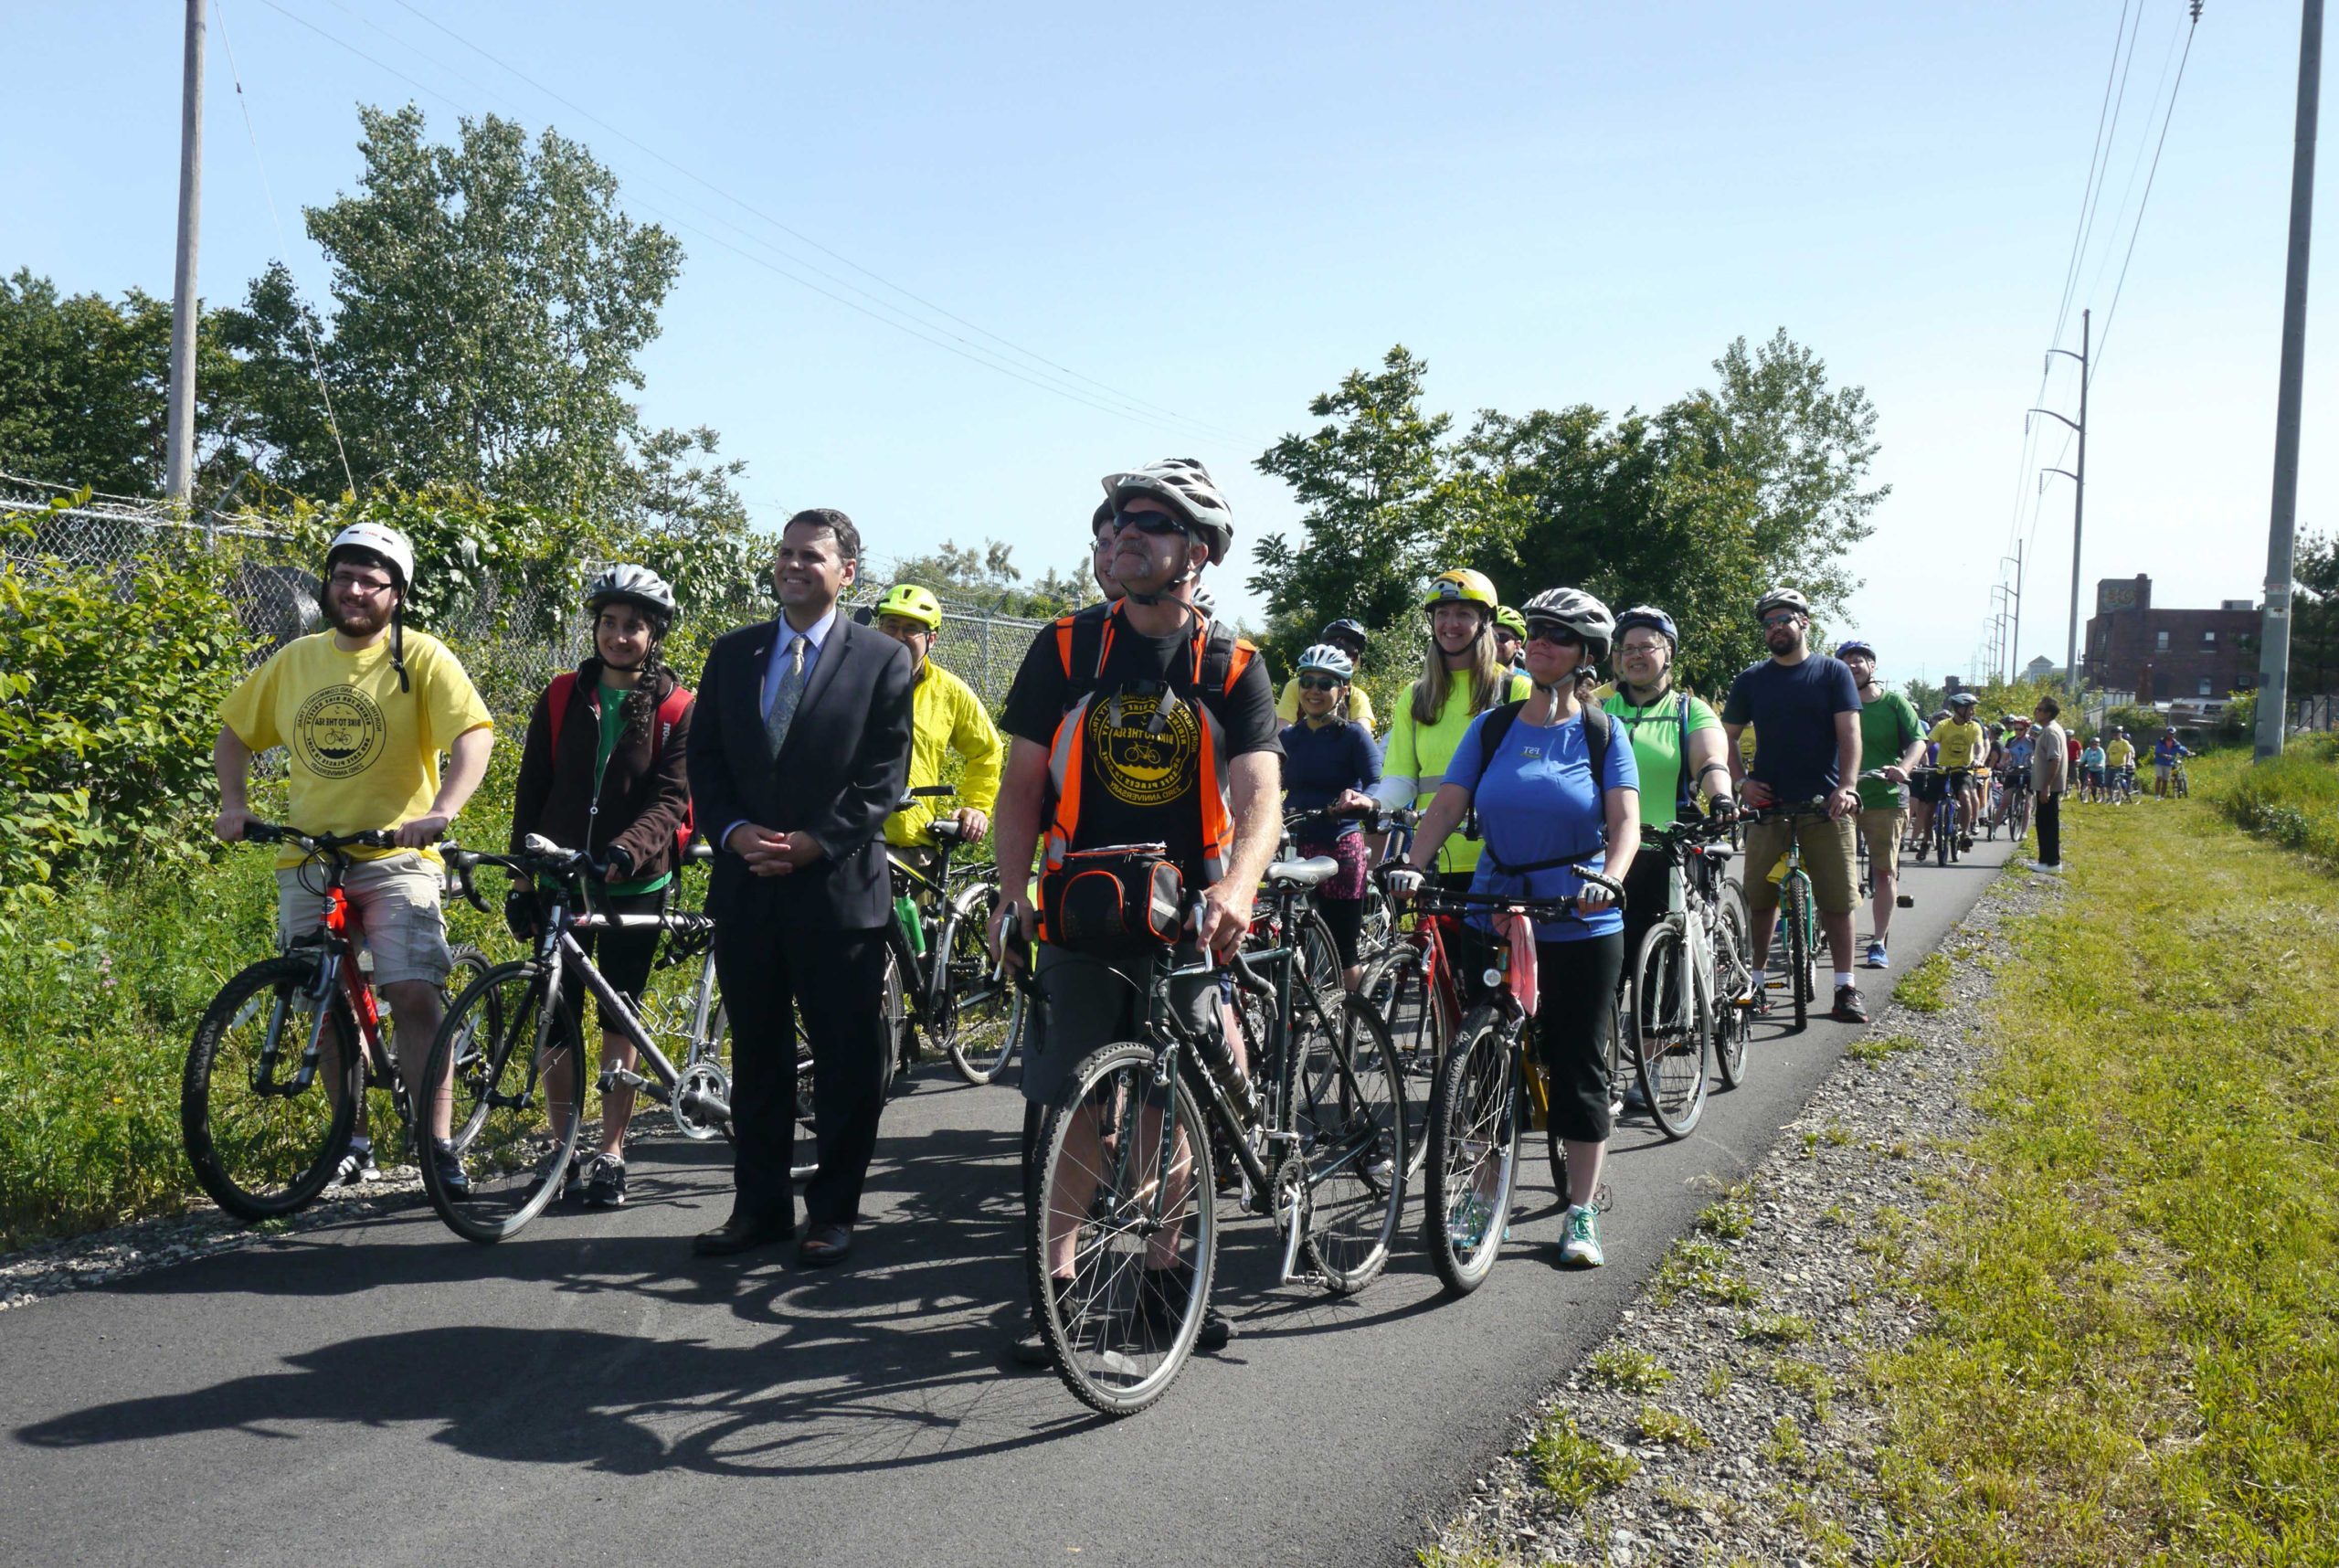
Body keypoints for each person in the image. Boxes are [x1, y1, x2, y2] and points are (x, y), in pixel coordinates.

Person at [989, 458, 1282, 1361]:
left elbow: (1261, 795)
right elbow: (1021, 788)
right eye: (1117, 525)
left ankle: (1162, 1277)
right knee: (1079, 1106)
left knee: (1179, 1094)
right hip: (1079, 907)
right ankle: (1061, 1286)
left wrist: (1236, 891)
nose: (1124, 538)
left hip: (1187, 912)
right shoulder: (1067, 648)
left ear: (1197, 552)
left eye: (1149, 526)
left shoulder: (1231, 665)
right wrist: (1010, 898)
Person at [212, 522, 494, 1190]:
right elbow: (234, 733)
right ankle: (353, 1140)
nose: (357, 590)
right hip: (311, 858)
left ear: (397, 594)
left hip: (397, 856)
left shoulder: (423, 657)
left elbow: (474, 736)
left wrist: (441, 813)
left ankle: (437, 1146)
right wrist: (233, 801)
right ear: (328, 582)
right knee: (323, 1003)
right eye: (346, 577)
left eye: (373, 581)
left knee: (413, 993)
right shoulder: (296, 659)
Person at [686, 509, 915, 1267]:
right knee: (758, 1057)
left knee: (846, 1062)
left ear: (847, 570)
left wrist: (819, 841)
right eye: (784, 553)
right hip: (748, 886)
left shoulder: (882, 660)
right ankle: (758, 1209)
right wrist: (732, 832)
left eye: (810, 556)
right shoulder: (732, 655)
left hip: (838, 892)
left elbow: (884, 777)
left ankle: (833, 1214)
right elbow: (707, 763)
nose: (792, 565)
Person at [1389, 588, 1639, 1268]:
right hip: (1495, 907)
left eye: (1560, 636)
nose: (1543, 643)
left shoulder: (1601, 731)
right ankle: (1479, 1191)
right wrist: (1411, 866)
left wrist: (1610, 876)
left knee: (1580, 1062)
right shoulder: (1493, 728)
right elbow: (1445, 807)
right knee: (1479, 1058)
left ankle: (1581, 1212)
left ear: (1586, 653)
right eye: (1536, 633)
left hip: (1580, 916)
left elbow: (1624, 823)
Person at [508, 565, 695, 1209]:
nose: (619, 636)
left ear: (655, 634)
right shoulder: (562, 696)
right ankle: (563, 1150)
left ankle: (612, 1151)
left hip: (632, 883)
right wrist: (519, 874)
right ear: (595, 627)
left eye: (634, 626)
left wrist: (624, 852)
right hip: (561, 878)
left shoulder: (677, 708)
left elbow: (671, 801)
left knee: (620, 1014)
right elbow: (531, 789)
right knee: (556, 1016)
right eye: (609, 624)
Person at [1719, 587, 1868, 1024]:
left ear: (1805, 621)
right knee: (1761, 900)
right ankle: (1758, 985)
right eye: (1767, 623)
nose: (1775, 628)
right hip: (1768, 807)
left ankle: (1845, 988)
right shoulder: (1751, 679)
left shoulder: (1832, 673)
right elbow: (1725, 736)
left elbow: (1850, 735)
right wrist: (1740, 781)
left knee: (1838, 900)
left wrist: (1848, 786)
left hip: (1827, 806)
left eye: (1784, 618)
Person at [1374, 568, 1533, 885]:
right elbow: (1402, 779)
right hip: (1432, 854)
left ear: (1485, 621)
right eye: (1442, 613)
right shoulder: (1416, 695)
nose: (1451, 624)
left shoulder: (1514, 691)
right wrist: (1373, 803)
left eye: (1463, 613)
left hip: (1500, 857)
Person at [1601, 605, 1732, 977]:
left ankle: (1662, 1035)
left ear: (1669, 653)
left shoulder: (1688, 710)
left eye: (1647, 646)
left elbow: (1710, 761)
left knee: (1663, 977)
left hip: (1665, 856)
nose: (1636, 655)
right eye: (1627, 649)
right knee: (1604, 972)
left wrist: (1721, 796)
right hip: (1602, 855)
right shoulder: (1598, 709)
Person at [870, 583, 1003, 866]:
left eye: (910, 629)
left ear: (931, 639)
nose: (898, 637)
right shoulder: (852, 679)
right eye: (890, 625)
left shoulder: (949, 691)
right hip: (854, 839)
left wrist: (976, 807)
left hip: (913, 847)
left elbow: (987, 749)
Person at [1280, 642, 1381, 988]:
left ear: (1344, 690)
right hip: (1293, 847)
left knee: (1343, 948)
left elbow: (1378, 783)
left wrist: (1362, 799)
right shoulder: (1287, 738)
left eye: (1325, 684)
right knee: (1288, 940)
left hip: (1340, 845)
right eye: (1307, 681)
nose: (1314, 691)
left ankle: (1352, 1026)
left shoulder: (1352, 737)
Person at [1836, 639, 1924, 969]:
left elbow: (1918, 741)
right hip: (1842, 798)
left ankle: (1877, 941)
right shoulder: (1835, 704)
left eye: (1859, 659)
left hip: (1885, 798)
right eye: (1845, 660)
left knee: (1884, 872)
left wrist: (1903, 769)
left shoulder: (1894, 703)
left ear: (1873, 667)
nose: (1852, 665)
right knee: (1832, 871)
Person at [1275, 618, 1379, 730]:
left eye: (1349, 651)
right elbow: (1282, 731)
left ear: (1354, 660)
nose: (1314, 690)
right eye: (1334, 648)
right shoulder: (1296, 686)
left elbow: (1363, 733)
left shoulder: (1356, 696)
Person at [1923, 693, 1985, 851]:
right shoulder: (1943, 725)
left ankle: (1964, 834)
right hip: (1942, 769)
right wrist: (1916, 759)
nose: (1973, 713)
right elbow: (1927, 743)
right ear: (1959, 709)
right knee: (1930, 805)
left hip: (1963, 770)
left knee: (1965, 796)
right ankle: (1926, 840)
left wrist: (1978, 759)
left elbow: (1979, 746)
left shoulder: (1974, 726)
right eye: (1970, 709)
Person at [2031, 696, 2069, 872]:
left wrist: (2046, 786)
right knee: (2043, 822)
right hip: (2046, 785)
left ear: (2048, 713)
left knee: (2047, 824)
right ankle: (2045, 861)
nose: (2035, 712)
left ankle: (2052, 862)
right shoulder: (2048, 729)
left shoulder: (2051, 731)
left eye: (2039, 709)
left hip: (2049, 786)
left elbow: (2055, 759)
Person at [2153, 726, 2191, 798]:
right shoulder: (2161, 741)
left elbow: (2181, 749)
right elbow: (2157, 751)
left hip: (2168, 764)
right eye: (2170, 733)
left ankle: (2162, 796)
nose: (2171, 735)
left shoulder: (2176, 743)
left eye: (2172, 734)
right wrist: (2165, 756)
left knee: (2165, 780)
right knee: (2159, 778)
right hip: (2159, 762)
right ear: (2167, 733)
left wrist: (2188, 752)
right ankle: (2157, 796)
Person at [1493, 605, 1529, 673]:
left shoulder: (1529, 682)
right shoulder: (1471, 677)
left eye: (1502, 637)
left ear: (1517, 645)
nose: (1495, 643)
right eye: (1490, 637)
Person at [2105, 727, 2136, 802]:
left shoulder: (2124, 742)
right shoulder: (2112, 742)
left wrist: (2128, 762)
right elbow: (2108, 753)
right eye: (2114, 734)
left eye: (2117, 734)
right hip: (2111, 766)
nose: (2115, 736)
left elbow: (2128, 753)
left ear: (2120, 734)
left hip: (2121, 766)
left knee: (2120, 782)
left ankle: (2126, 794)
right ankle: (2110, 797)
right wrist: (2107, 761)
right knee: (2108, 783)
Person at [2079, 735, 2107, 803]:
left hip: (2099, 769)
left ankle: (2103, 797)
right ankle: (2091, 796)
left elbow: (2102, 759)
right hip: (2090, 768)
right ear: (2090, 744)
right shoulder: (2088, 750)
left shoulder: (2101, 751)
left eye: (2096, 744)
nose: (2095, 745)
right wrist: (2079, 762)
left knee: (2101, 784)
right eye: (2093, 744)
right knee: (2089, 782)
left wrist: (2100, 764)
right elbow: (2083, 758)